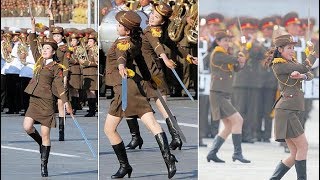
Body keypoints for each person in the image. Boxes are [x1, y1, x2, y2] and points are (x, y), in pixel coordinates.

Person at [104, 10, 178, 179]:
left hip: (124, 90)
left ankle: (125, 166)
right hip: (135, 88)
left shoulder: (123, 42)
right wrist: (149, 81)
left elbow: (121, 56)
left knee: (109, 129)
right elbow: (142, 63)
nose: (117, 26)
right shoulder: (134, 41)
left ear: (127, 30)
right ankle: (169, 159)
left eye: (120, 25)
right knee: (152, 124)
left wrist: (121, 66)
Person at [23, 16, 73, 177]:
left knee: (46, 134)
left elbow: (59, 86)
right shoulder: (39, 59)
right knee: (27, 127)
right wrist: (32, 29)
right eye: (43, 48)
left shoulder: (56, 67)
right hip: (34, 99)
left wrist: (66, 103)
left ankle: (44, 165)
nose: (44, 50)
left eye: (47, 49)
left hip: (47, 102)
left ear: (53, 52)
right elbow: (32, 44)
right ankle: (41, 145)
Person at [264, 28, 316, 180]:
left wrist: (303, 76)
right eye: (289, 48)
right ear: (280, 49)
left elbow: (309, 73)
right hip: (287, 110)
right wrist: (311, 53)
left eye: (293, 48)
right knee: (303, 146)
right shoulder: (279, 64)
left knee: (295, 153)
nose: (292, 51)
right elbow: (307, 66)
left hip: (290, 109)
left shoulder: (291, 63)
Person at [206, 30, 250, 163]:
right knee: (238, 120)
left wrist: (241, 63)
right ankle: (237, 153)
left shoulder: (226, 54)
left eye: (228, 40)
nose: (227, 42)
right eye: (224, 40)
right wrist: (239, 58)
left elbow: (235, 68)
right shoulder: (218, 53)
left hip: (223, 94)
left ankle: (212, 153)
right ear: (218, 42)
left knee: (229, 126)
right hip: (218, 94)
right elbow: (231, 60)